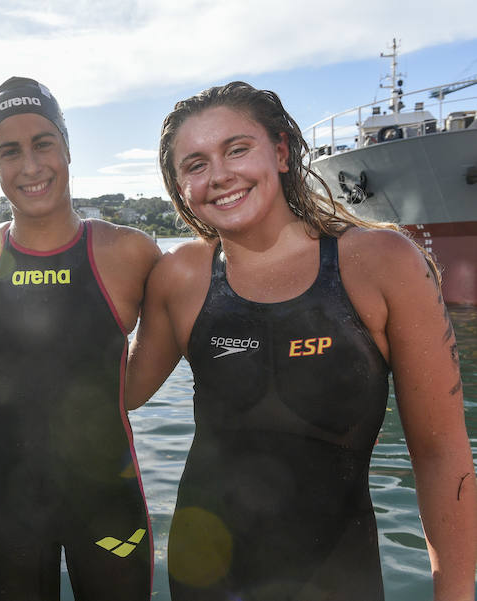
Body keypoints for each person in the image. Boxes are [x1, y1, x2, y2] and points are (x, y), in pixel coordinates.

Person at [126, 81, 476, 600]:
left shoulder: (380, 262)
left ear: (282, 152)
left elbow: (441, 450)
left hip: (337, 574)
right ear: (181, 188)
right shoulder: (180, 276)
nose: (220, 175)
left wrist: (455, 593)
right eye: (195, 165)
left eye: (237, 149)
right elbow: (120, 392)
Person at [0, 76, 161, 600]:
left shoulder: (129, 253)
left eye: (43, 143)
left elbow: (146, 376)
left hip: (107, 497)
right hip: (7, 504)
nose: (31, 165)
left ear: (67, 148)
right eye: (9, 151)